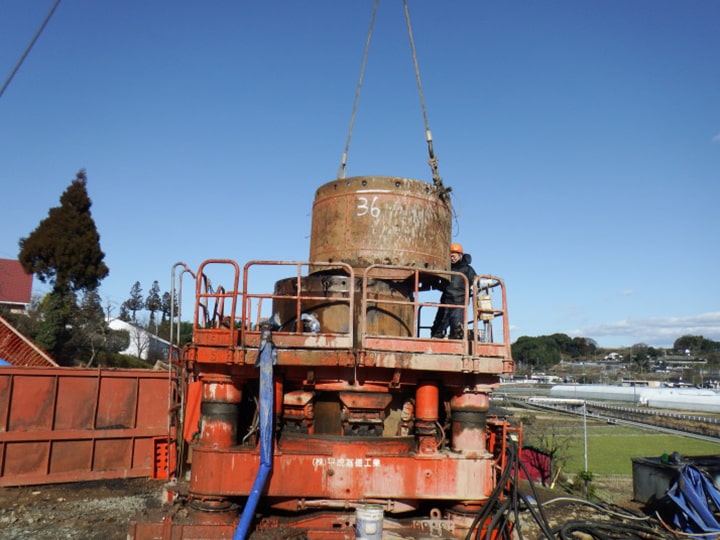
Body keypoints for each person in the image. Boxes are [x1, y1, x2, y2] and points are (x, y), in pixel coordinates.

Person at [431, 243, 476, 339]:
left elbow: (475, 282)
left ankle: (457, 343)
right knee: (438, 325)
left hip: (460, 302)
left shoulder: (467, 269)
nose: (452, 258)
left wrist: (474, 288)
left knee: (457, 327)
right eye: (450, 256)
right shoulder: (447, 268)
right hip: (446, 301)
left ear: (460, 255)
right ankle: (436, 339)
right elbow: (441, 284)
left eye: (454, 256)